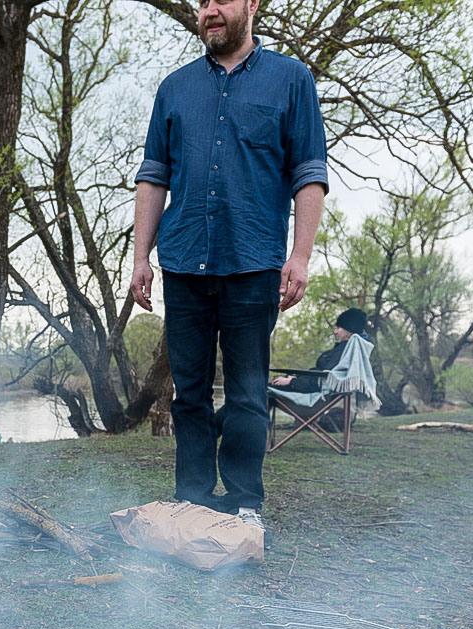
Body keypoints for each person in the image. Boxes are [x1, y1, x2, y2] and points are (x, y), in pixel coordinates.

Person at [130, 0, 328, 536]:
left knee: (245, 393)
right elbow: (153, 175)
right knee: (189, 393)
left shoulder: (292, 80)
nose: (210, 10)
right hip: (184, 263)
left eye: (222, 0)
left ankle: (244, 506)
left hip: (254, 264)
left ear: (252, 5)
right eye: (202, 2)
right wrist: (140, 257)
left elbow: (309, 173)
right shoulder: (175, 87)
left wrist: (301, 255)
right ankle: (192, 503)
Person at [270, 308, 370, 393]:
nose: (335, 332)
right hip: (309, 384)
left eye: (338, 327)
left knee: (267, 389)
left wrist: (292, 382)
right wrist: (294, 377)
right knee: (273, 383)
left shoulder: (345, 351)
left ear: (349, 329)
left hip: (316, 393)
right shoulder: (344, 348)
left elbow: (323, 379)